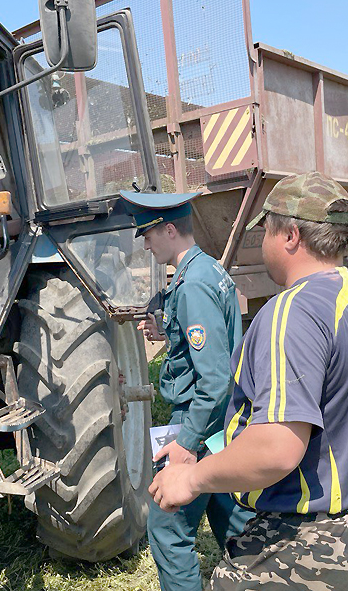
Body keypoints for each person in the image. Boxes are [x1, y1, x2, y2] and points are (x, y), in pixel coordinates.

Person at [148, 172, 348, 590]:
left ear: (290, 235)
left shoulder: (292, 312)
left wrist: (191, 478)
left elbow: (276, 448)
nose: (262, 242)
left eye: (266, 230)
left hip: (317, 543)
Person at [119, 190, 254, 591]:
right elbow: (210, 345)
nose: (146, 243)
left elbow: (212, 381)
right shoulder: (207, 271)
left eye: (149, 234)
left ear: (170, 230)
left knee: (166, 523)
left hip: (200, 421)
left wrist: (186, 444)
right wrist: (167, 330)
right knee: (234, 520)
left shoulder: (192, 284)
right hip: (223, 423)